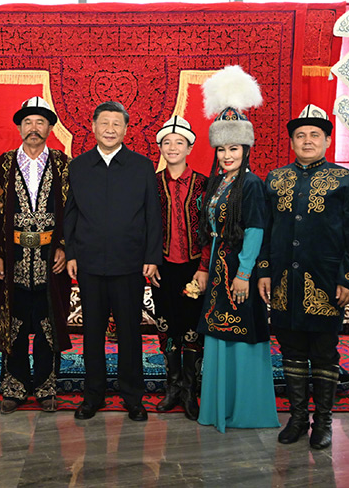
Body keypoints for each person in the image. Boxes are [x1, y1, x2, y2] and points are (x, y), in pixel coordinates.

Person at [255, 105, 349, 449]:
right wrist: (264, 270)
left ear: (327, 140)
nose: (307, 140)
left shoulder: (344, 180)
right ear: (291, 142)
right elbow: (266, 229)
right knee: (290, 349)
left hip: (326, 280)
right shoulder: (276, 178)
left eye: (315, 134)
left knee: (324, 352)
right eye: (300, 135)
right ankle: (298, 417)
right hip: (284, 279)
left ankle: (323, 422)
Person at [192, 65, 279, 433]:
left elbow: (256, 230)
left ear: (246, 148)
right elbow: (210, 231)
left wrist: (245, 273)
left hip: (240, 268)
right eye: (222, 149)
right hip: (217, 266)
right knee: (217, 332)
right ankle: (219, 407)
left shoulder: (252, 184)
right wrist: (204, 267)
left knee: (242, 333)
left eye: (234, 148)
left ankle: (244, 409)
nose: (227, 155)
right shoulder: (218, 183)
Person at [65, 101, 162, 422]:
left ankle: (133, 397)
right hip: (89, 263)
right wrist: (71, 253)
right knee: (92, 332)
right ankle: (93, 396)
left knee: (130, 332)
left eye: (116, 124)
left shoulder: (142, 166)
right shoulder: (78, 166)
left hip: (130, 263)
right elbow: (71, 214)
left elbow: (152, 214)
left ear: (125, 129)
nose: (110, 129)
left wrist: (152, 256)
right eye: (104, 123)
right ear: (92, 126)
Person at [0, 97, 72, 414]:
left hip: (52, 257)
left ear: (50, 128)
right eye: (28, 122)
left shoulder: (65, 165)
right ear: (20, 127)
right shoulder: (0, 166)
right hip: (13, 257)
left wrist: (64, 246)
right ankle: (15, 386)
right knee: (15, 323)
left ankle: (47, 387)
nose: (34, 128)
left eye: (40, 122)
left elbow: (74, 212)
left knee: (49, 322)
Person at [149, 115, 208, 420]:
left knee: (192, 327)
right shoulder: (151, 184)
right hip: (162, 266)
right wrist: (148, 260)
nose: (173, 148)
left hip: (195, 268)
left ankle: (189, 388)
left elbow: (212, 229)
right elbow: (143, 226)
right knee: (166, 324)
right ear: (160, 147)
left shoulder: (204, 184)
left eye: (179, 143)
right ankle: (172, 385)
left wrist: (205, 267)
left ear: (189, 148)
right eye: (167, 143)